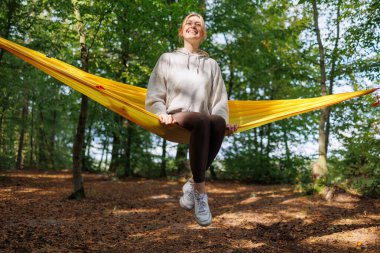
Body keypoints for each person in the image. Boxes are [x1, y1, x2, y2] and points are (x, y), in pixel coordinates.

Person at [145, 13, 238, 226]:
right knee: (202, 120)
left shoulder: (212, 65)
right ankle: (201, 193)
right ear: (182, 30)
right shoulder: (167, 58)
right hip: (175, 117)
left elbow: (219, 101)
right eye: (189, 23)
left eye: (198, 25)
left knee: (214, 121)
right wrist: (160, 112)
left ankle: (192, 184)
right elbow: (155, 93)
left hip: (204, 124)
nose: (193, 26)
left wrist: (224, 123)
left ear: (203, 33)